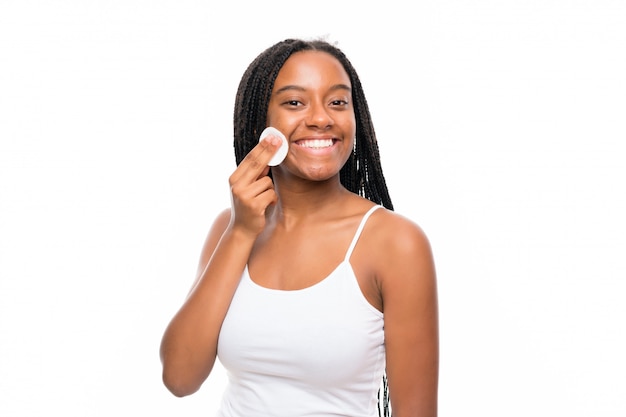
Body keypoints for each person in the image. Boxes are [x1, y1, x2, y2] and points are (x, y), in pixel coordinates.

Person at [159, 38, 439, 417]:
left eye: (338, 102)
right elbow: (180, 378)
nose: (321, 118)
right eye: (294, 102)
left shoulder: (395, 242)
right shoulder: (230, 228)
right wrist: (241, 233)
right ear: (263, 122)